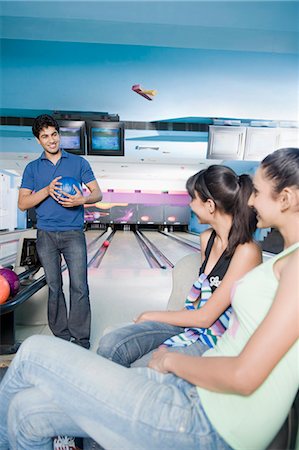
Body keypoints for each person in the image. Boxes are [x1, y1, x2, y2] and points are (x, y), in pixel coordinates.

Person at [0, 147, 298, 450]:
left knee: (34, 351)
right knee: (26, 410)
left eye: (257, 192)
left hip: (213, 419)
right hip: (202, 393)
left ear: (286, 199)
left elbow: (243, 373)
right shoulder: (285, 259)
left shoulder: (289, 264)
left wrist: (171, 360)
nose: (248, 200)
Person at [97, 165, 261, 367]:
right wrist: (163, 320)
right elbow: (201, 296)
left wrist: (150, 315)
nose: (190, 204)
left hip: (219, 336)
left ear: (210, 205)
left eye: (193, 198)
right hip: (191, 324)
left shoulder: (247, 251)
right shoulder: (207, 238)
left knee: (149, 367)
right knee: (110, 344)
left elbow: (206, 317)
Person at [18, 114, 102, 350]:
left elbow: (98, 193)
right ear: (38, 140)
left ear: (59, 134)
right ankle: (61, 336)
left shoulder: (79, 163)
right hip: (46, 234)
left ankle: (81, 337)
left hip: (73, 233)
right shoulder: (32, 168)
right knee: (54, 286)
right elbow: (23, 203)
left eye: (54, 134)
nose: (51, 140)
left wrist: (82, 199)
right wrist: (46, 189)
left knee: (80, 285)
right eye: (45, 136)